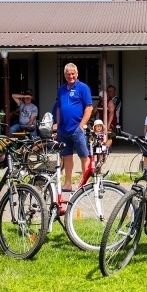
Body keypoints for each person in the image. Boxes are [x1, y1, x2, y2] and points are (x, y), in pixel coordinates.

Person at [54, 63, 93, 198]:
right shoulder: (61, 89)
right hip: (63, 130)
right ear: (64, 75)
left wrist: (81, 126)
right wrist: (57, 126)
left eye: (73, 74)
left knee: (84, 156)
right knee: (67, 156)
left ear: (77, 74)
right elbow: (59, 108)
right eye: (68, 74)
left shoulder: (83, 88)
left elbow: (89, 108)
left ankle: (85, 184)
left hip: (77, 129)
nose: (70, 76)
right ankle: (68, 183)